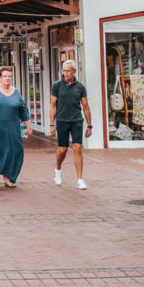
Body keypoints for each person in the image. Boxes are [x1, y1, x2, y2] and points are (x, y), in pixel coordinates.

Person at [50, 59, 93, 190]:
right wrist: (51, 124)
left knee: (77, 148)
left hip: (76, 121)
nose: (65, 73)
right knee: (62, 150)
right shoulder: (56, 85)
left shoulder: (80, 87)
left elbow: (86, 107)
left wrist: (89, 125)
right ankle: (57, 169)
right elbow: (53, 106)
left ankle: (80, 179)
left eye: (68, 71)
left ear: (74, 71)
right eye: (64, 71)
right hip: (62, 120)